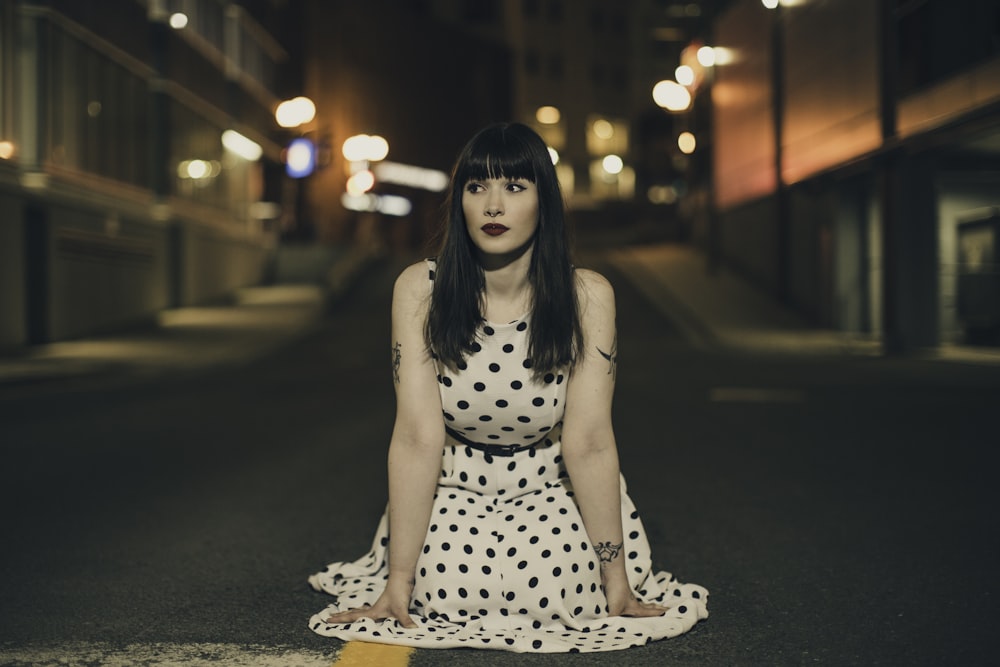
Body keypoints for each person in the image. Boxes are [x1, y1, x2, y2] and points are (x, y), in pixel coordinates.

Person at [308, 122, 708, 653]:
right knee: (446, 591)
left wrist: (619, 586)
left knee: (557, 592)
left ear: (545, 202)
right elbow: (417, 438)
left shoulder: (586, 296)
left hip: (548, 483)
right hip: (458, 482)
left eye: (515, 188)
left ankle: (593, 578)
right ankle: (413, 577)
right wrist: (395, 586)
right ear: (461, 204)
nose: (493, 205)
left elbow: (588, 442)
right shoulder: (418, 290)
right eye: (477, 188)